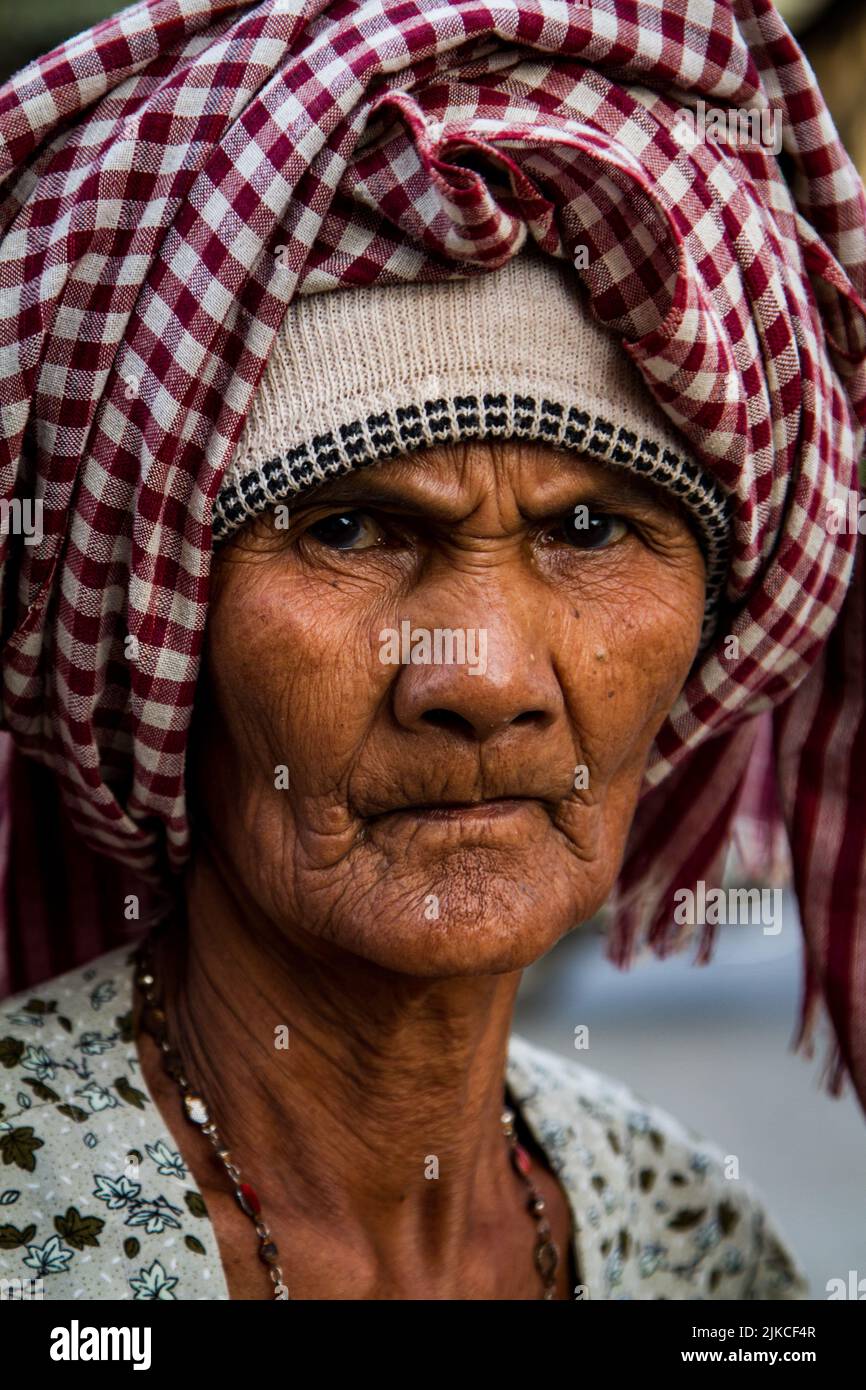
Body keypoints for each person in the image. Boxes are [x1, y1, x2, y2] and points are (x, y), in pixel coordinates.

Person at [1, 0, 864, 1301]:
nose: (486, 677)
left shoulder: (704, 1254)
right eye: (348, 527)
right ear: (161, 630)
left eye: (588, 528)